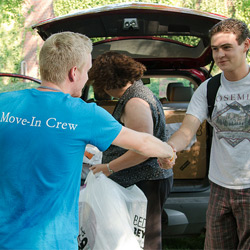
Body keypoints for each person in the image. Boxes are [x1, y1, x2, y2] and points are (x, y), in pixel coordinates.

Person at [0, 32, 175, 250]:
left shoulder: (3, 103)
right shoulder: (84, 114)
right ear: (74, 73)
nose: (86, 78)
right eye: (87, 71)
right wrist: (168, 152)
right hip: (53, 242)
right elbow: (145, 143)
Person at [163, 18, 250, 250]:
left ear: (246, 45)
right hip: (219, 187)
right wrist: (168, 149)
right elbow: (186, 131)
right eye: (215, 49)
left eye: (227, 47)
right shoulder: (209, 88)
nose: (220, 54)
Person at [88, 51, 176, 250]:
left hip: (147, 181)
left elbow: (142, 149)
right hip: (143, 179)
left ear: (107, 81)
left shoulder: (135, 102)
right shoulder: (136, 93)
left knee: (145, 241)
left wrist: (108, 167)